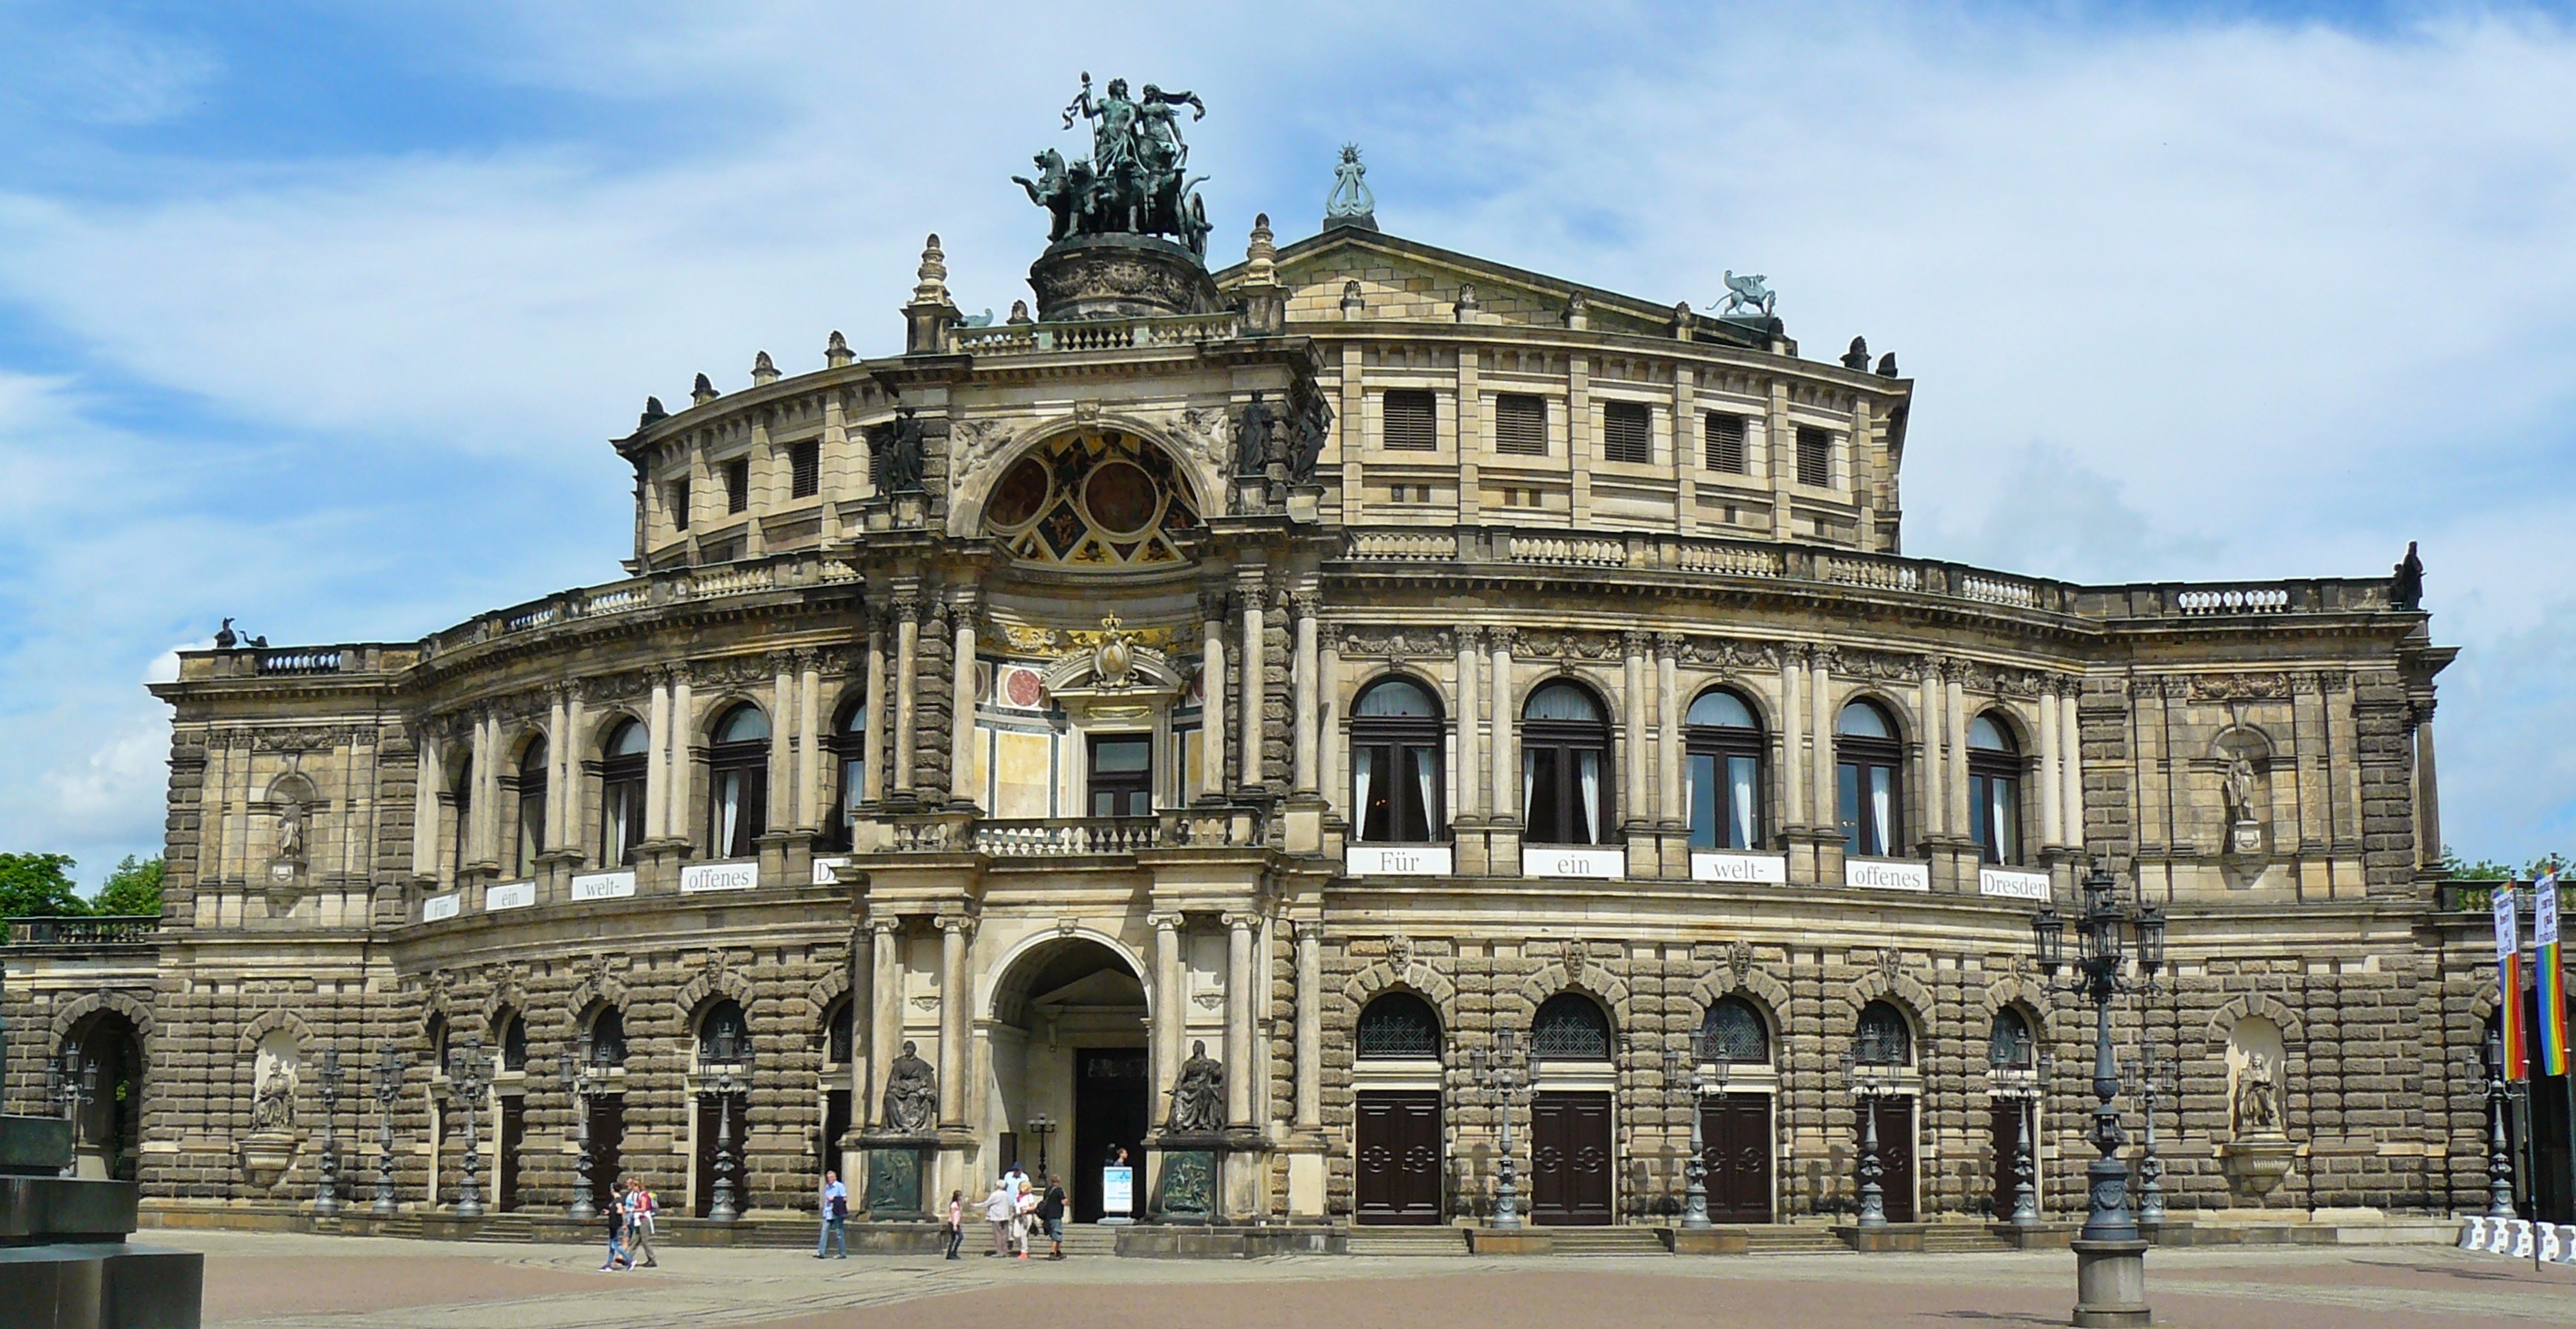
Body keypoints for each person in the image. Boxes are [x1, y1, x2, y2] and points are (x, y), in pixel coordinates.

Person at [622, 1179, 659, 1268]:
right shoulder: (638, 1196)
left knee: (645, 1241)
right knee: (634, 1240)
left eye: (634, 1186)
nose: (633, 1187)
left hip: (644, 1220)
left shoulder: (643, 1196)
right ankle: (628, 1259)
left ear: (638, 1186)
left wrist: (631, 1210)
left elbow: (643, 1208)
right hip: (638, 1220)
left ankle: (652, 1260)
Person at [816, 1169, 849, 1259]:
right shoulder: (827, 1187)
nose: (829, 1179)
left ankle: (842, 1253)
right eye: (828, 1178)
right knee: (824, 1232)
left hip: (837, 1213)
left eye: (831, 1177)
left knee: (839, 1233)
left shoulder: (840, 1186)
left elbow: (845, 1199)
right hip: (828, 1213)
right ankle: (821, 1252)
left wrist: (834, 1199)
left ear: (835, 1177)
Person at [599, 1187, 631, 1272]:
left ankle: (629, 1261)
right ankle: (608, 1264)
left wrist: (624, 1223)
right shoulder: (615, 1201)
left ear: (612, 1190)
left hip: (616, 1225)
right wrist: (609, 1212)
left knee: (615, 1245)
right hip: (613, 1225)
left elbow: (620, 1211)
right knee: (612, 1246)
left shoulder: (618, 1200)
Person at [983, 1180, 1016, 1257]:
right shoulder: (1006, 1194)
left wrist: (976, 1205)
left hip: (997, 1216)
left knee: (998, 1235)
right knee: (1004, 1235)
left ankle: (999, 1251)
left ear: (997, 1186)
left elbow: (987, 1203)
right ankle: (1004, 1251)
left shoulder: (995, 1194)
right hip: (1005, 1216)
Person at [1037, 1174, 1067, 1260]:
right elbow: (1064, 1202)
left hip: (1048, 1215)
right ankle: (1052, 1252)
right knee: (1056, 1234)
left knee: (1054, 1233)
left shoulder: (1047, 1189)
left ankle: (1058, 1252)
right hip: (1056, 1215)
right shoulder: (1059, 1190)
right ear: (1059, 1181)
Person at [944, 1188, 966, 1260]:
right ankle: (953, 1252)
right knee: (960, 1237)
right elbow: (953, 1214)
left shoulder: (959, 1204)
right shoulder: (954, 1204)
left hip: (956, 1223)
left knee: (953, 1239)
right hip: (953, 1223)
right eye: (960, 1196)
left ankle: (950, 1253)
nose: (961, 1197)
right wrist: (954, 1225)